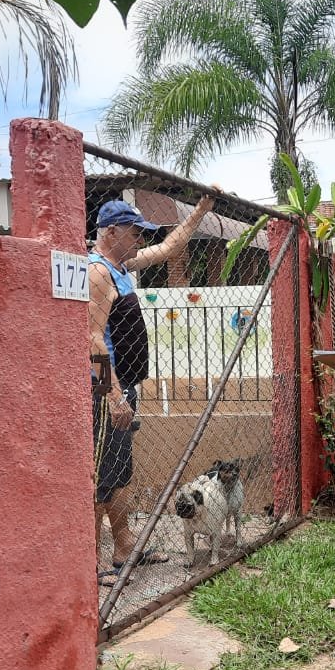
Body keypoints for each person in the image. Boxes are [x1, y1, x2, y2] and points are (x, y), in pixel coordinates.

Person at [90, 194, 214, 580]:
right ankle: (90, 560)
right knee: (100, 475)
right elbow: (91, 339)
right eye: (134, 232)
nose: (141, 240)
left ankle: (123, 546)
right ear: (110, 231)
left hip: (125, 385)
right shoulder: (97, 273)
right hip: (104, 391)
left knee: (120, 470)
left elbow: (167, 248)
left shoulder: (122, 265)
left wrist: (200, 211)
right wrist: (112, 396)